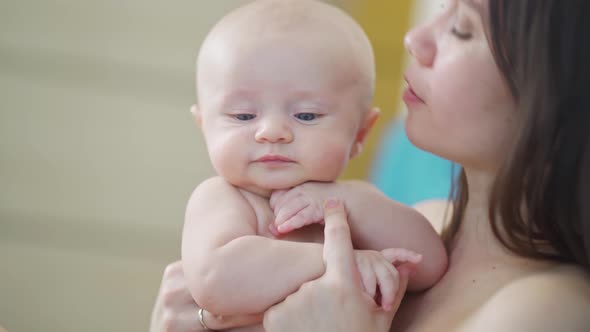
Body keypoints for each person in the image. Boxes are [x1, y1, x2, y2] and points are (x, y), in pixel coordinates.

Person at [152, 0, 590, 331]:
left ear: (555, 91)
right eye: (243, 115)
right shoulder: (426, 219)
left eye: (461, 29)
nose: (414, 40)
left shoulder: (548, 308)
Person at [181, 0, 447, 331]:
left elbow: (429, 264)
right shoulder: (224, 199)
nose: (272, 132)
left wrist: (350, 205)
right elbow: (215, 278)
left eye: (306, 115)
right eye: (243, 115)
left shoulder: (353, 202)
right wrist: (340, 261)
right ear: (204, 125)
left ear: (360, 133)